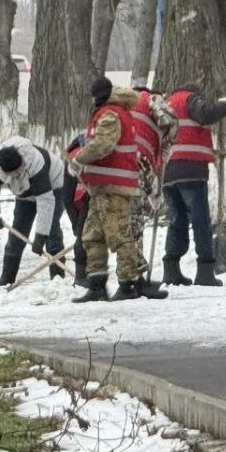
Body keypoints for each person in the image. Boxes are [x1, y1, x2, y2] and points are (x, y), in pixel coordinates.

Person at [69, 78, 168, 303]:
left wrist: (78, 159)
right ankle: (96, 285)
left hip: (115, 186)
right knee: (93, 235)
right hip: (100, 186)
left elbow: (103, 144)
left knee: (120, 236)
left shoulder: (111, 114)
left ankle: (128, 284)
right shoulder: (109, 111)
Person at [162, 84, 226, 287]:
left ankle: (171, 269)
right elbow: (206, 114)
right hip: (191, 171)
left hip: (168, 172)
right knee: (200, 220)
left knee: (177, 220)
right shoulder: (190, 100)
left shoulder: (166, 104)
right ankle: (205, 271)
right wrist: (225, 105)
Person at [0, 136, 66, 288]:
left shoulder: (35, 163)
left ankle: (57, 277)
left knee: (52, 231)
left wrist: (41, 236)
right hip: (24, 193)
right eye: (12, 174)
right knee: (18, 231)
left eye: (18, 171)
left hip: (53, 187)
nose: (16, 175)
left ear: (22, 162)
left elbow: (45, 201)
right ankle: (7, 277)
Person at [130, 76, 178, 274]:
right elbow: (170, 122)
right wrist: (156, 194)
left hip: (116, 168)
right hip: (137, 166)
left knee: (123, 223)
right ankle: (135, 275)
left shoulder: (121, 107)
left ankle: (131, 271)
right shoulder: (151, 100)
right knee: (133, 221)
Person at [62, 134, 89, 288]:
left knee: (85, 233)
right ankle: (81, 276)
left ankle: (85, 273)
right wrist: (75, 225)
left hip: (92, 189)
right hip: (87, 194)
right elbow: (67, 197)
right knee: (84, 234)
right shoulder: (75, 159)